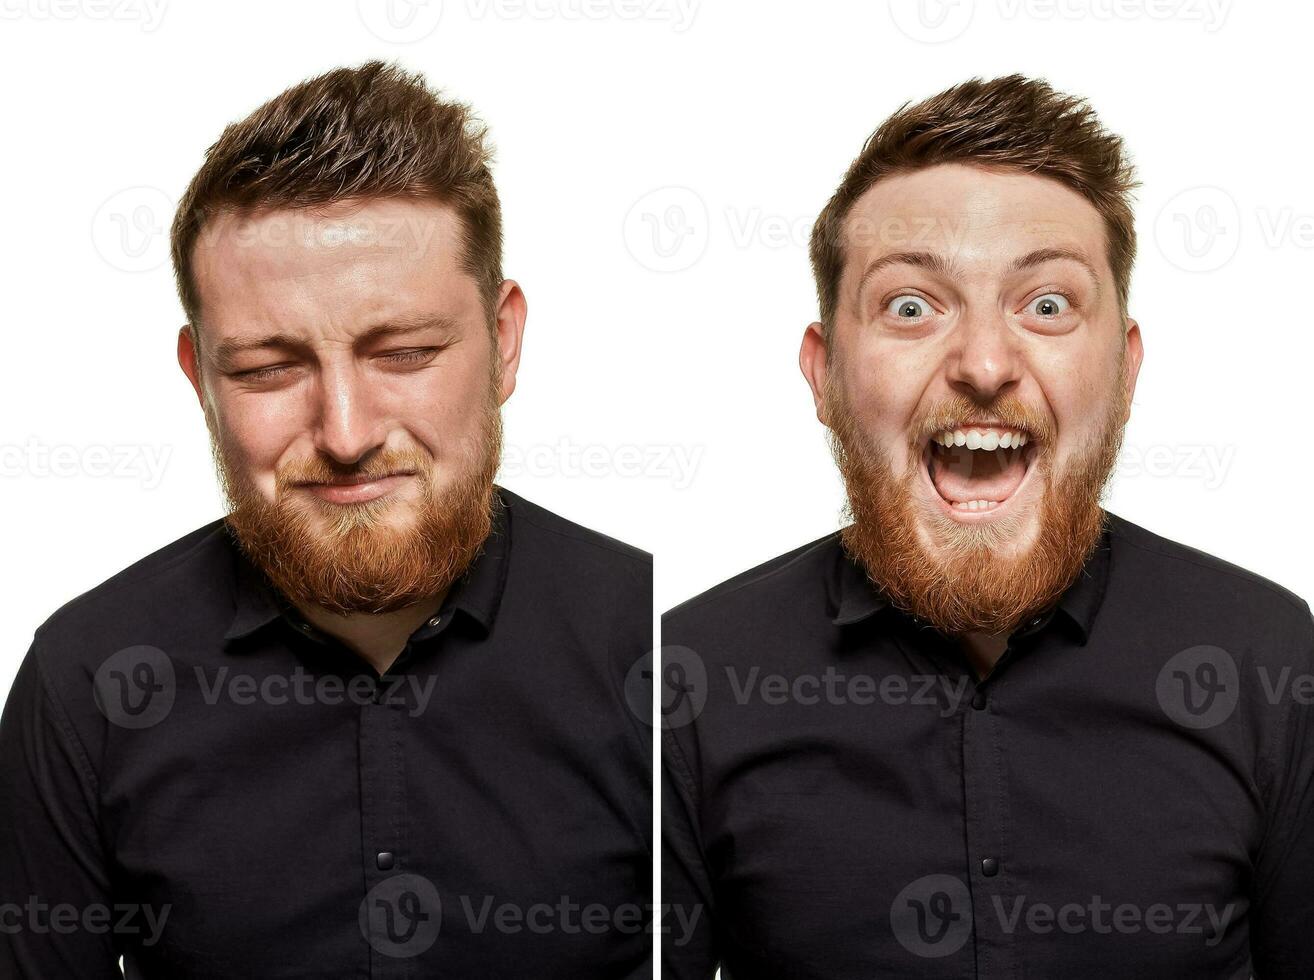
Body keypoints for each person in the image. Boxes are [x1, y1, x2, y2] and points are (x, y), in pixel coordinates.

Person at [0, 60, 652, 977]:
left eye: (407, 352)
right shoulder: (84, 685)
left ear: (505, 343)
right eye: (268, 369)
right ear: (200, 381)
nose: (345, 434)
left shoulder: (662, 647)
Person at [661, 74, 1313, 978]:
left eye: (1047, 304)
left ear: (1124, 372)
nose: (983, 363)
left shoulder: (1269, 661)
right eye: (912, 307)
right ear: (825, 375)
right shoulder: (681, 685)